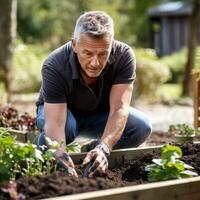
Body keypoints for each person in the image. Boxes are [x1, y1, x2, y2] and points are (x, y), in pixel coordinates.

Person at [36, 11, 152, 177]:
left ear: (111, 45)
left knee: (141, 127)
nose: (95, 63)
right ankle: (41, 157)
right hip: (62, 115)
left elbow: (119, 108)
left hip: (99, 114)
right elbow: (56, 122)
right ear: (74, 45)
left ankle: (91, 153)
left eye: (103, 54)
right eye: (88, 53)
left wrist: (103, 147)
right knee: (64, 131)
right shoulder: (54, 64)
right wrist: (60, 156)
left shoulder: (124, 55)